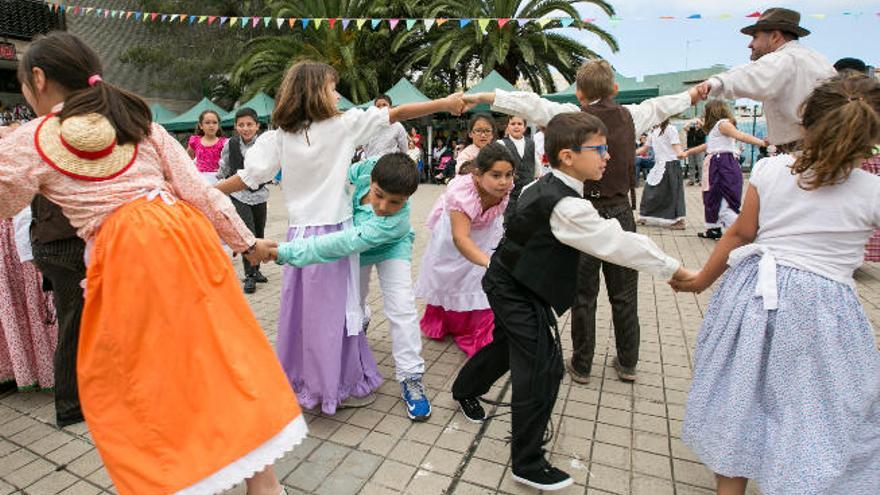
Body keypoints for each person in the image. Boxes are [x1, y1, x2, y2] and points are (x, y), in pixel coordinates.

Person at [0, 32, 302, 495]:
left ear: (37, 78)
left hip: (127, 259)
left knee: (142, 381)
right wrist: (246, 242)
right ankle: (264, 484)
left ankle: (176, 476)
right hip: (186, 241)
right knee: (219, 357)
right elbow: (199, 193)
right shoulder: (135, 118)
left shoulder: (34, 139)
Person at [453, 112, 689, 491]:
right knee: (543, 367)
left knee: (507, 347)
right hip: (511, 286)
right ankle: (526, 461)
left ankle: (464, 390)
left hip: (512, 281)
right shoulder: (565, 204)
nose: (607, 157)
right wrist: (675, 270)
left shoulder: (546, 186)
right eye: (599, 149)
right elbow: (618, 242)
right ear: (567, 156)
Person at [671, 73, 880, 495]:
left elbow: (740, 234)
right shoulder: (873, 191)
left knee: (739, 397)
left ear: (804, 121)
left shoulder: (769, 169)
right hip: (824, 312)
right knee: (810, 409)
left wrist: (700, 281)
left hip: (754, 299)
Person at [216, 61, 465, 415]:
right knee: (336, 314)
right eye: (333, 88)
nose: (337, 94)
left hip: (302, 233)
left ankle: (309, 383)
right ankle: (330, 386)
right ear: (317, 90)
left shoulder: (284, 136)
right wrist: (444, 102)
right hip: (333, 230)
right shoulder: (341, 126)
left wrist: (205, 195)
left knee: (308, 316)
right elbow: (398, 113)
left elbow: (245, 178)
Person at [463, 59, 701, 384]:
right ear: (615, 90)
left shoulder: (568, 120)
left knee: (583, 295)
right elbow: (659, 106)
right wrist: (693, 95)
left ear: (578, 93)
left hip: (577, 212)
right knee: (625, 293)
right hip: (618, 210)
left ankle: (582, 363)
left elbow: (529, 103)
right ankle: (628, 361)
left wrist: (489, 97)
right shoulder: (630, 115)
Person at [271, 153, 432, 421]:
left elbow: (341, 243)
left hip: (390, 246)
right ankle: (363, 319)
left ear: (407, 198)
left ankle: (411, 376)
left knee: (402, 308)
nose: (382, 206)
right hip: (356, 252)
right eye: (378, 194)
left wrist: (285, 251)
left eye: (395, 202)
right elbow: (329, 177)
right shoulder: (364, 169)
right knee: (350, 308)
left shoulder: (395, 221)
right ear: (371, 179)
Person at [415, 143, 514, 356]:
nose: (503, 182)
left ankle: (477, 330)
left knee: (480, 279)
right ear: (478, 175)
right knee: (451, 277)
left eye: (508, 175)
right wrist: (490, 262)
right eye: (496, 175)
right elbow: (460, 238)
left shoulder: (507, 186)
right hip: (454, 236)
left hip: (487, 232)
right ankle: (445, 321)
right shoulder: (461, 193)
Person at [695, 7, 835, 149]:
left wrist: (714, 83)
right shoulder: (822, 61)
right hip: (828, 148)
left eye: (755, 37)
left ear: (775, 36)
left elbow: (750, 75)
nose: (750, 44)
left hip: (800, 152)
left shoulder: (784, 58)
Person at [682, 100, 767, 240]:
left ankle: (747, 233)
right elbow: (707, 145)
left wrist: (762, 143)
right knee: (712, 197)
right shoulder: (718, 127)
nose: (704, 114)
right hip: (717, 164)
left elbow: (741, 136)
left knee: (723, 200)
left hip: (722, 165)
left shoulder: (723, 124)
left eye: (706, 111)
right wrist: (688, 152)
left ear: (712, 111)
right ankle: (713, 228)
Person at [0, 207, 57, 392]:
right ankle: (30, 368)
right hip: (14, 234)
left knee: (35, 305)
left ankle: (48, 368)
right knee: (18, 305)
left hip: (21, 231)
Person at [217, 107, 270, 294]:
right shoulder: (230, 144)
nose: (245, 128)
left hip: (260, 194)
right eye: (241, 125)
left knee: (259, 232)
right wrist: (221, 181)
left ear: (257, 126)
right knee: (246, 234)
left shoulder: (264, 144)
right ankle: (249, 276)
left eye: (249, 124)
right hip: (239, 195)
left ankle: (257, 271)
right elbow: (223, 165)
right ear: (235, 126)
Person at [637, 120, 686, 229]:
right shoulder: (653, 131)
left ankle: (679, 221)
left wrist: (681, 153)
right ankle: (646, 216)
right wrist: (630, 154)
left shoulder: (670, 129)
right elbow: (645, 148)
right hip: (659, 164)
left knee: (673, 194)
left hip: (671, 164)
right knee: (650, 190)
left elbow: (676, 145)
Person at [498, 115, 540, 224]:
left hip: (528, 186)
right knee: (509, 217)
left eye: (519, 124)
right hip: (509, 189)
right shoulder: (501, 144)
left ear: (525, 127)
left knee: (527, 216)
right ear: (507, 126)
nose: (516, 126)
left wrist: (537, 176)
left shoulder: (531, 143)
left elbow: (536, 162)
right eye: (513, 124)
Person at [186, 109, 227, 184]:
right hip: (199, 180)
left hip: (218, 180)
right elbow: (187, 158)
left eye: (214, 122)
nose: (211, 125)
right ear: (201, 126)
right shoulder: (194, 141)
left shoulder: (224, 143)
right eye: (207, 123)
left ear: (218, 125)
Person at [363, 94, 409, 158]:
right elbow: (364, 146)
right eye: (378, 106)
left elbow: (404, 149)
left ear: (390, 107)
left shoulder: (398, 126)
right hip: (371, 164)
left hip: (390, 164)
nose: (381, 108)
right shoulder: (369, 125)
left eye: (384, 105)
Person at [685, 120, 706, 185]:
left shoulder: (703, 131)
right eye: (696, 124)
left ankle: (701, 180)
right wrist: (691, 122)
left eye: (698, 124)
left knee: (700, 165)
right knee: (691, 165)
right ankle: (692, 180)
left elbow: (706, 128)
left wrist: (700, 121)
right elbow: (684, 127)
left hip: (700, 149)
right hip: (691, 148)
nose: (696, 125)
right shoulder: (691, 129)